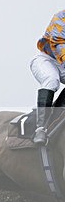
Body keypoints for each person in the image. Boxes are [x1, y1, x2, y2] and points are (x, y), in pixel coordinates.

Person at [30, 9, 65, 145]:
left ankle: (58, 111)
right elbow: (58, 44)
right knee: (52, 80)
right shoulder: (61, 17)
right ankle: (41, 128)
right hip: (47, 60)